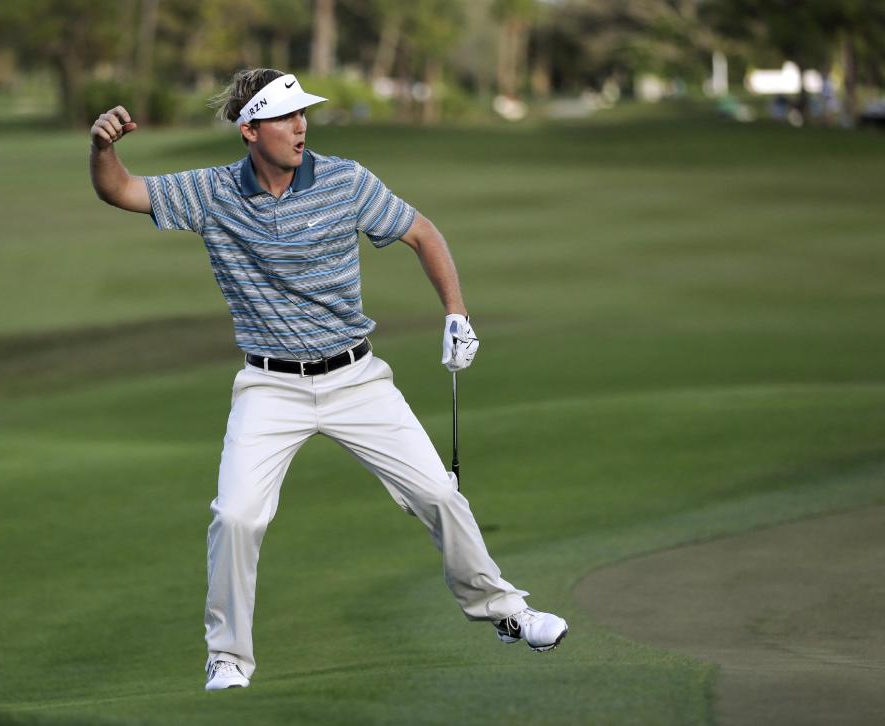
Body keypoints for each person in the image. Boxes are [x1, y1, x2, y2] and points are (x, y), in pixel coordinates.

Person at [88, 68, 567, 691]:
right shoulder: (210, 192)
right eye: (286, 118)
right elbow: (120, 190)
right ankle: (228, 659)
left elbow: (422, 233)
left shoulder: (344, 180)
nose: (301, 126)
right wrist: (102, 149)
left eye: (303, 114)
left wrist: (456, 313)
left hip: (357, 377)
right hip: (269, 386)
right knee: (236, 517)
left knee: (439, 496)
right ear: (250, 130)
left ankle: (506, 612)